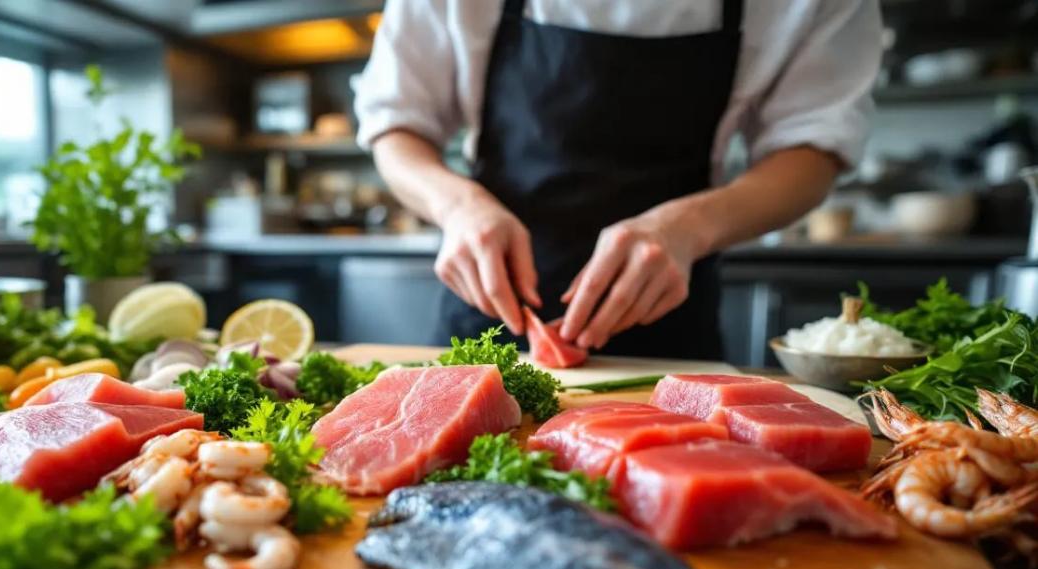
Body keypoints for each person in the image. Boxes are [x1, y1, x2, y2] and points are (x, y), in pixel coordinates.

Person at [353, 0, 882, 359]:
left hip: (672, 321)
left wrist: (688, 226)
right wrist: (458, 208)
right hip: (486, 313)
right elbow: (395, 128)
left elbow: (812, 151)